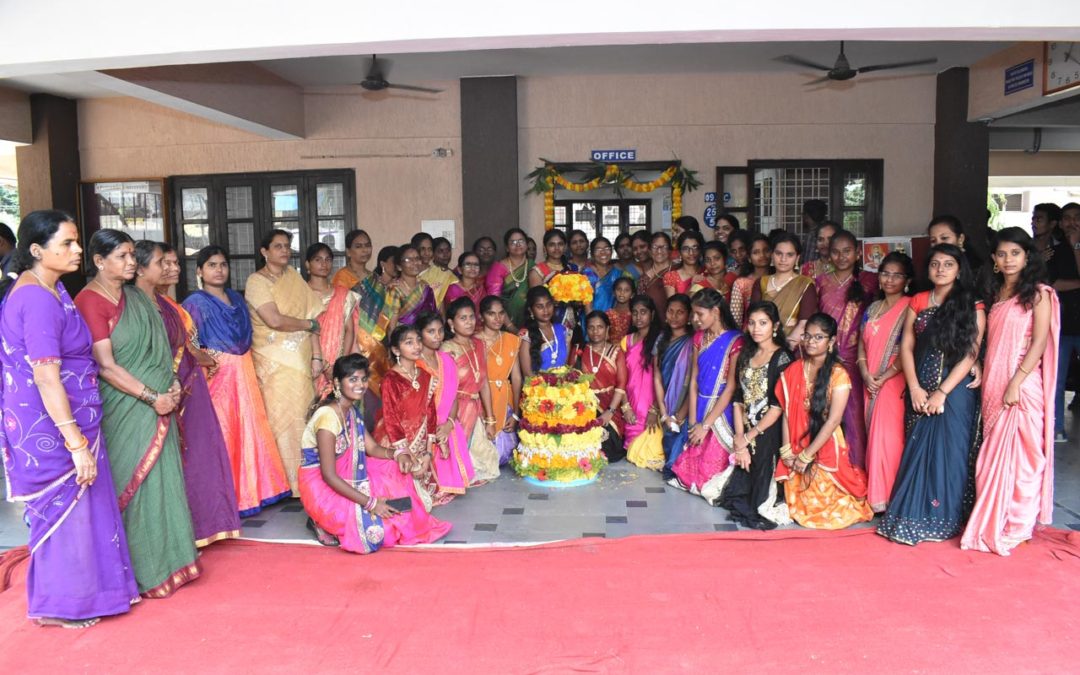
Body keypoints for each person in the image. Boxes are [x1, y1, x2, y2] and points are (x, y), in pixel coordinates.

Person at [0, 211, 138, 627]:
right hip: (52, 428)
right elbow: (44, 376)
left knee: (84, 509)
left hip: (74, 419)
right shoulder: (36, 298)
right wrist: (75, 442)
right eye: (67, 244)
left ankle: (88, 594)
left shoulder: (52, 286)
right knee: (66, 513)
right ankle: (63, 605)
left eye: (76, 242)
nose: (78, 250)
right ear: (37, 250)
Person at [75, 229, 200, 597]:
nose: (132, 262)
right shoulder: (90, 301)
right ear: (99, 261)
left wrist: (172, 385)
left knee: (164, 482)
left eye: (133, 255)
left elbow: (162, 352)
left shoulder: (138, 297)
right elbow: (106, 366)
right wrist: (152, 397)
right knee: (137, 483)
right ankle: (141, 570)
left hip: (160, 400)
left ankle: (171, 561)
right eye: (123, 256)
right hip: (126, 407)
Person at [134, 240, 240, 547]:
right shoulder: (147, 304)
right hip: (171, 386)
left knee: (200, 451)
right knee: (182, 455)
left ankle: (204, 524)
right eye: (164, 263)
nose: (172, 268)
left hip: (191, 385)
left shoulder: (171, 305)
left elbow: (187, 345)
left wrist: (200, 357)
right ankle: (183, 530)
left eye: (175, 262)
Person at [878, 244, 985, 545]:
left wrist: (942, 393)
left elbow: (970, 353)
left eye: (948, 264)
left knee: (950, 455)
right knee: (917, 453)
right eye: (935, 264)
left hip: (955, 392)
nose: (940, 269)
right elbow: (907, 347)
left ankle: (945, 518)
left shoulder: (971, 304)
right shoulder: (919, 300)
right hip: (919, 389)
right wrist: (914, 387)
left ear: (959, 269)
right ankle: (913, 516)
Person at [962, 228, 1059, 556]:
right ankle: (998, 517)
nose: (1008, 260)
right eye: (1002, 254)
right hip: (993, 379)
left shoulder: (1039, 293)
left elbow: (1040, 341)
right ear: (993, 259)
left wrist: (1016, 381)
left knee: (1023, 456)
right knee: (993, 456)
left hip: (1022, 382)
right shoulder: (995, 293)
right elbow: (989, 339)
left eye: (1015, 254)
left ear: (1027, 256)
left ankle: (1018, 523)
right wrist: (977, 364)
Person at [300, 354, 451, 551]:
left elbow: (371, 448)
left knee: (395, 469)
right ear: (337, 382)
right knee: (381, 530)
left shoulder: (351, 411)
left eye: (363, 379)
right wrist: (371, 504)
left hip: (347, 473)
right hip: (321, 485)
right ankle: (318, 519)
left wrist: (398, 454)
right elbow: (328, 475)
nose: (360, 385)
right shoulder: (327, 417)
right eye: (352, 379)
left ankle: (383, 505)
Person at [183, 246, 291, 517]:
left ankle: (255, 490)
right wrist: (206, 357)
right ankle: (226, 495)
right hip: (218, 374)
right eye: (211, 265)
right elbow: (188, 339)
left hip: (243, 368)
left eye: (222, 264)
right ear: (199, 271)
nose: (219, 270)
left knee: (250, 427)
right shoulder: (194, 302)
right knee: (224, 430)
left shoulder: (236, 298)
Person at [775, 313, 874, 529]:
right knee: (798, 507)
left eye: (818, 337)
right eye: (807, 336)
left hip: (824, 444)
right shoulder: (793, 370)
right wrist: (786, 451)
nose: (811, 342)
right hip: (795, 442)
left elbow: (833, 421)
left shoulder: (838, 374)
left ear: (831, 342)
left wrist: (806, 455)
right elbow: (786, 412)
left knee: (824, 511)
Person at [245, 229, 322, 494]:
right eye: (277, 246)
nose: (284, 250)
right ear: (264, 252)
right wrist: (306, 324)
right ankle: (282, 483)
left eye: (287, 246)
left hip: (300, 362)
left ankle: (305, 480)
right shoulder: (257, 282)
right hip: (273, 362)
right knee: (279, 421)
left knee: (303, 418)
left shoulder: (294, 278)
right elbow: (274, 320)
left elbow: (314, 321)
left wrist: (317, 355)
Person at [717, 301, 792, 529]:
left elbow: (778, 407)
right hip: (746, 427)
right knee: (734, 493)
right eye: (752, 323)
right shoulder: (746, 354)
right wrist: (740, 440)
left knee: (758, 502)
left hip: (769, 430)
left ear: (775, 326)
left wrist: (749, 437)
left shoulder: (782, 358)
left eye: (763, 323)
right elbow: (738, 399)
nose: (756, 328)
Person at [670, 289, 742, 498]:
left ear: (716, 312)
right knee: (686, 475)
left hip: (721, 411)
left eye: (699, 314)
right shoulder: (699, 338)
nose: (694, 319)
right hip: (699, 405)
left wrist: (706, 425)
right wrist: (693, 421)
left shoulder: (735, 341)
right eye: (693, 313)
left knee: (709, 480)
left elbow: (730, 388)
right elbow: (693, 379)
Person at [814, 230, 877, 468]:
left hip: (856, 359)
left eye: (847, 251)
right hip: (825, 357)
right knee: (823, 411)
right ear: (828, 255)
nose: (841, 257)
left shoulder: (871, 281)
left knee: (854, 417)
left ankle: (856, 468)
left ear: (858, 253)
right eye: (835, 252)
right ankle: (828, 469)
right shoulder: (820, 282)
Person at [857, 252, 914, 512]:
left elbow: (909, 348)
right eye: (885, 273)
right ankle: (877, 496)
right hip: (869, 381)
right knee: (872, 437)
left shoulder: (911, 306)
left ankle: (890, 498)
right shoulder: (871, 309)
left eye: (897, 275)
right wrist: (866, 373)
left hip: (893, 383)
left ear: (907, 280)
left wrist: (885, 376)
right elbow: (860, 346)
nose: (890, 279)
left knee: (888, 438)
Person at [374, 325, 438, 513]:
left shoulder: (426, 376)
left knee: (425, 502)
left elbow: (431, 412)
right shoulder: (391, 380)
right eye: (409, 342)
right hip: (397, 443)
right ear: (396, 350)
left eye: (418, 341)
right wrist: (407, 453)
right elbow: (391, 419)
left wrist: (427, 454)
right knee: (406, 501)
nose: (417, 346)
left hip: (421, 442)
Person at [414, 312, 476, 500]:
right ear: (420, 335)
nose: (437, 336)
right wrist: (432, 429)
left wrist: (449, 423)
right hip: (422, 429)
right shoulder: (415, 364)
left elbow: (453, 396)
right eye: (431, 332)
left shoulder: (447, 360)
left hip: (446, 424)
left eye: (440, 331)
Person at [443, 297, 501, 481]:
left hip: (476, 409)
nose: (469, 322)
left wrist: (490, 419)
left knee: (489, 465)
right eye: (463, 318)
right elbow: (444, 389)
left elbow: (484, 382)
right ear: (451, 323)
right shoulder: (447, 348)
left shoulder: (479, 344)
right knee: (458, 466)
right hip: (456, 410)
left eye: (471, 317)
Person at [332, 232, 392, 401]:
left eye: (367, 245)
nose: (364, 250)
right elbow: (341, 313)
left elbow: (384, 312)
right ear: (348, 251)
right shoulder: (341, 277)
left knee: (379, 391)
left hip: (378, 343)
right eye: (358, 246)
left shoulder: (375, 278)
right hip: (355, 340)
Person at [306, 243, 358, 397]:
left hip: (335, 360)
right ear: (307, 264)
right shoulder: (300, 293)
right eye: (318, 260)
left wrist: (339, 364)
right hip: (307, 360)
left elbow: (349, 330)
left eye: (328, 259)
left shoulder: (343, 294)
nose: (324, 264)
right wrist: (319, 361)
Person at [750, 233, 818, 349]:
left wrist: (783, 351)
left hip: (791, 349)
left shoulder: (805, 284)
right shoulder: (761, 283)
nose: (783, 259)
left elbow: (803, 324)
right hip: (760, 346)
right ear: (772, 255)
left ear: (797, 258)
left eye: (789, 255)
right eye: (779, 253)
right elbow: (753, 318)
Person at [652, 294, 694, 477]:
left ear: (689, 315)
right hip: (666, 399)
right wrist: (663, 411)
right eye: (670, 311)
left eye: (680, 312)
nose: (674, 316)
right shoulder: (661, 339)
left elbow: (693, 380)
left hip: (685, 401)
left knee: (679, 438)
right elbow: (657, 376)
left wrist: (680, 414)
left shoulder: (694, 342)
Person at [1048, 202, 1080, 442]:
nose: (1071, 222)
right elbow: (1054, 283)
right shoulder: (1056, 252)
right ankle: (1057, 427)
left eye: (1076, 217)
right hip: (1062, 324)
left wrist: (1076, 245)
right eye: (1067, 218)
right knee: (1056, 379)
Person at [477, 296, 522, 465]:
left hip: (505, 400)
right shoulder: (474, 341)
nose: (497, 318)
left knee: (505, 455)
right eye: (491, 314)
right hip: (482, 400)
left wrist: (516, 413)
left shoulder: (511, 340)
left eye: (501, 313)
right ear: (481, 316)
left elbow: (516, 377)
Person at [580, 311, 628, 462]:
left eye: (600, 327)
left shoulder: (616, 351)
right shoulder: (580, 351)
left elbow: (621, 384)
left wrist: (610, 412)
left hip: (610, 404)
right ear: (586, 329)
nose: (595, 332)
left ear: (607, 329)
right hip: (585, 404)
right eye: (591, 327)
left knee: (610, 448)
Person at [622, 294, 664, 469]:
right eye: (635, 312)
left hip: (651, 405)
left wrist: (655, 409)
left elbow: (662, 378)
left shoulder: (660, 340)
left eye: (643, 312)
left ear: (652, 314)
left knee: (650, 453)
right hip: (630, 403)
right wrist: (625, 407)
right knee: (631, 451)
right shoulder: (626, 341)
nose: (639, 317)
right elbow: (621, 377)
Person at [382, 244, 437, 335]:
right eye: (408, 260)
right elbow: (391, 327)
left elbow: (432, 317)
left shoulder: (424, 286)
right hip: (404, 340)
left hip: (426, 339)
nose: (415, 262)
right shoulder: (395, 289)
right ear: (399, 266)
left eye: (417, 258)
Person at [485, 228, 533, 330]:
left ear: (527, 244)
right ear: (507, 248)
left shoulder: (533, 267)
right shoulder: (498, 268)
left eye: (521, 241)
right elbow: (494, 301)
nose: (518, 244)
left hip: (529, 322)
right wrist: (510, 326)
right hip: (502, 323)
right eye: (513, 242)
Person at [519, 286, 568, 376]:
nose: (546, 310)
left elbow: (566, 366)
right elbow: (527, 373)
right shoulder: (526, 335)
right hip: (537, 387)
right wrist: (545, 388)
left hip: (563, 387)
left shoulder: (563, 330)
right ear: (531, 310)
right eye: (540, 307)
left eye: (549, 305)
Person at [730, 234, 771, 327]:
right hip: (750, 333)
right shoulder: (741, 283)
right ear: (749, 257)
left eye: (766, 250)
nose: (762, 255)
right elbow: (736, 320)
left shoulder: (779, 279)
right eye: (756, 252)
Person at [583, 236, 627, 313]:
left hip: (614, 319)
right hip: (592, 320)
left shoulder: (618, 272)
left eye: (607, 249)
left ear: (612, 251)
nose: (603, 252)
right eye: (598, 249)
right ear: (592, 253)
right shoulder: (587, 274)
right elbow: (587, 304)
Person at [415, 232, 457, 307]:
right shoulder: (408, 274)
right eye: (423, 249)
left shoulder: (445, 274)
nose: (427, 253)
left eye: (429, 249)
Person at [638, 231, 672, 316]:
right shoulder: (644, 279)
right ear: (649, 251)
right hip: (653, 325)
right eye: (654, 247)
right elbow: (640, 305)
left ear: (669, 250)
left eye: (664, 247)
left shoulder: (678, 269)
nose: (659, 251)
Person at [664, 231, 704, 297]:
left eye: (695, 248)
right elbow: (674, 305)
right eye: (685, 249)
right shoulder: (671, 277)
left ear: (700, 250)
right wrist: (692, 286)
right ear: (679, 252)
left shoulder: (706, 271)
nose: (691, 253)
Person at [605, 276, 634, 343]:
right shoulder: (608, 314)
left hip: (630, 350)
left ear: (632, 294)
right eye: (619, 289)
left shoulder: (634, 314)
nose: (622, 293)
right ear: (614, 293)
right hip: (611, 351)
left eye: (626, 290)